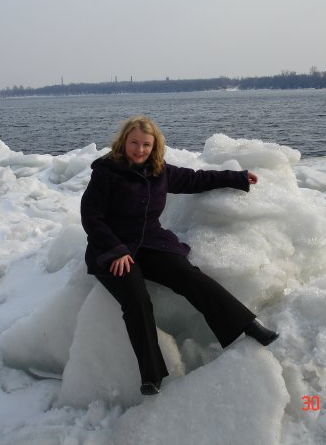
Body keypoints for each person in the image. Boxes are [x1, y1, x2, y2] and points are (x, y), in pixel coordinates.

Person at [80, 116, 279, 396]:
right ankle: (151, 375)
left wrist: (235, 178)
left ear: (154, 147)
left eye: (146, 145)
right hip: (112, 249)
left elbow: (195, 179)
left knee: (188, 276)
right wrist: (115, 249)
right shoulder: (106, 172)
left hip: (151, 243)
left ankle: (247, 325)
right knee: (136, 300)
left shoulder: (159, 171)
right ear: (123, 141)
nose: (139, 149)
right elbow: (91, 216)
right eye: (134, 143)